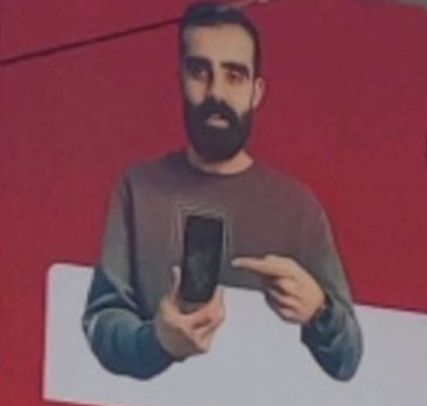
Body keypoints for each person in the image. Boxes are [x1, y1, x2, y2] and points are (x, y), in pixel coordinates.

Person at [82, 1, 362, 381]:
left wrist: (319, 310)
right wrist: (158, 342)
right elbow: (101, 322)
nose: (216, 92)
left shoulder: (297, 207)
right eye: (200, 71)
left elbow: (349, 358)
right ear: (180, 79)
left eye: (234, 75)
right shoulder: (138, 188)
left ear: (256, 91)